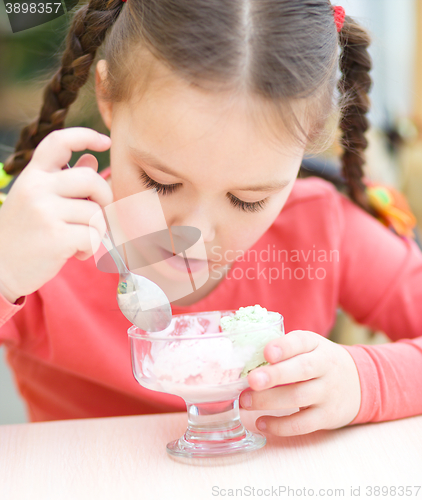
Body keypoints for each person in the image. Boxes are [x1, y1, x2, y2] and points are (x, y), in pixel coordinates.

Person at [1, 0, 422, 436]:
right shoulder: (41, 246)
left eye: (246, 199)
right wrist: (5, 273)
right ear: (108, 96)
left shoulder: (322, 228)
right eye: (160, 181)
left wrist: (364, 381)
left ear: (309, 142)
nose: (195, 234)